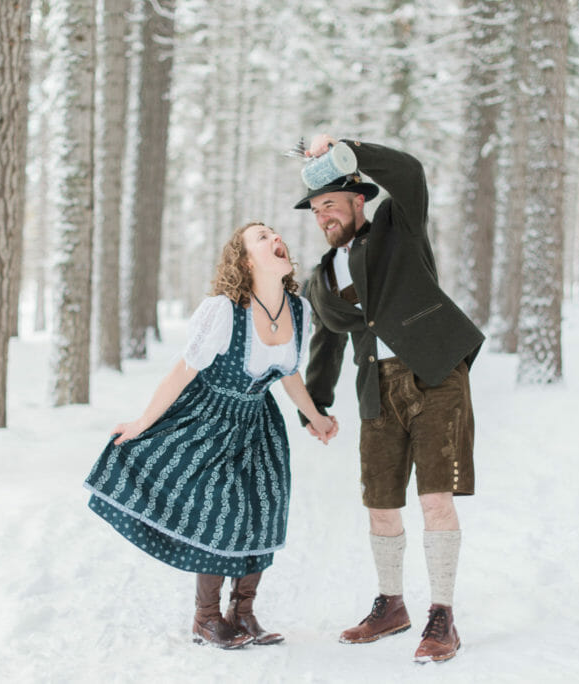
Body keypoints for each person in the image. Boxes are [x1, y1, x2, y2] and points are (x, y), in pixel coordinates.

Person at [84, 221, 338, 650]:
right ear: (243, 260)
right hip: (211, 416)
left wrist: (314, 415)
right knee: (223, 512)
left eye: (275, 232)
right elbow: (184, 370)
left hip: (259, 421)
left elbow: (289, 372)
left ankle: (244, 613)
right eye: (261, 236)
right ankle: (206, 618)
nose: (275, 237)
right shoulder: (224, 310)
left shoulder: (298, 309)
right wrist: (142, 422)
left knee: (263, 510)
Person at [294, 135, 484, 663]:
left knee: (433, 499)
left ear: (359, 200)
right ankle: (392, 606)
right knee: (380, 503)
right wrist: (317, 404)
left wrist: (346, 148)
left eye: (330, 204)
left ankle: (442, 616)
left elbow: (410, 172)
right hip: (375, 391)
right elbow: (326, 342)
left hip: (434, 375)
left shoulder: (400, 229)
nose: (323, 217)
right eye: (315, 210)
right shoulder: (321, 276)